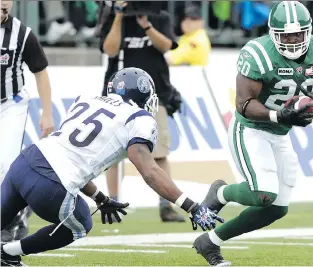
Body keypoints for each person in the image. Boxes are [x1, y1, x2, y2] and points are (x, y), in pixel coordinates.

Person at [0, 68, 224, 267]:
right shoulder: (139, 118)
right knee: (80, 224)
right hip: (49, 184)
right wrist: (192, 207)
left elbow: (66, 156)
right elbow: (149, 171)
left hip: (25, 162)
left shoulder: (87, 100)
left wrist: (100, 198)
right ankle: (8, 253)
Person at [192, 1, 313, 266]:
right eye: (286, 35)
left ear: (308, 31)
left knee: (276, 209)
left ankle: (210, 242)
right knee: (263, 194)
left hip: (279, 133)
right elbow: (243, 103)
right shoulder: (259, 53)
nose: (293, 40)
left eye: (298, 33)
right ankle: (221, 193)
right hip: (251, 129)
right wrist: (278, 115)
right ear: (273, 34)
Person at [100, 1, 185, 222]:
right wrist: (118, 16)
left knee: (159, 152)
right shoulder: (112, 16)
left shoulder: (159, 16)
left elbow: (166, 46)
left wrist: (146, 25)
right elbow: (110, 49)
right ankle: (112, 201)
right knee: (112, 154)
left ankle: (165, 205)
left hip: (154, 95)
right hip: (118, 96)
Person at [0, 0, 54, 243]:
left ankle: (9, 225)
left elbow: (40, 71)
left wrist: (47, 112)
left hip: (11, 103)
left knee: (5, 164)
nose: (4, 3)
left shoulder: (23, 34)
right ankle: (21, 209)